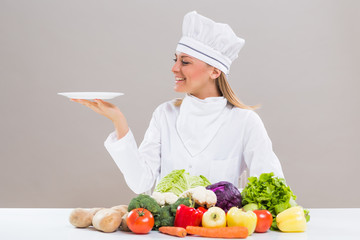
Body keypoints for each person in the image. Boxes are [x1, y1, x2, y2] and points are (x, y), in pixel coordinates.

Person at [71, 11, 284, 194]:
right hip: (167, 231)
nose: (174, 68)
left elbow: (271, 185)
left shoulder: (245, 121)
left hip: (218, 231)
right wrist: (118, 121)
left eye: (185, 62)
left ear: (215, 70)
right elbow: (140, 182)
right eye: (176, 60)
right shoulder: (165, 114)